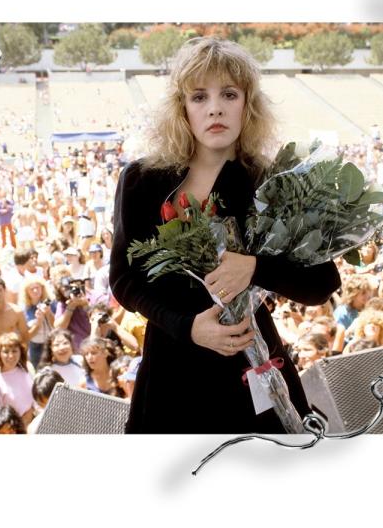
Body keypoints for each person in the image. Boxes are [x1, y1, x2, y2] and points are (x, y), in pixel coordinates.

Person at [109, 37, 341, 434]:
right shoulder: (142, 180)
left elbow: (322, 284)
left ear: (247, 104)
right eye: (199, 96)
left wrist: (254, 268)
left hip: (254, 366)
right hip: (170, 371)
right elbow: (124, 280)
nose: (214, 107)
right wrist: (187, 326)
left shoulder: (275, 183)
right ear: (182, 108)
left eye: (228, 94)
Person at [0, 332, 35, 427]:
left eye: (14, 351)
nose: (10, 356)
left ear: (20, 352)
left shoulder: (25, 370)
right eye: (6, 352)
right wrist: (21, 425)